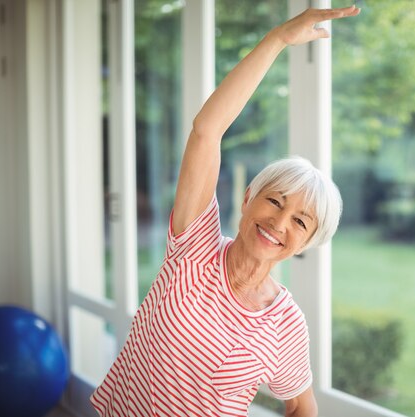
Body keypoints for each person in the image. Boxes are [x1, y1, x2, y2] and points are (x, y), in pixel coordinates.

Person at [90, 5, 360, 417]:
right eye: (274, 200)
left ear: (307, 241)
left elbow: (302, 406)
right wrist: (278, 40)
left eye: (300, 222)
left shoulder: (286, 323)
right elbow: (207, 130)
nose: (279, 222)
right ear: (248, 196)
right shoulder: (194, 247)